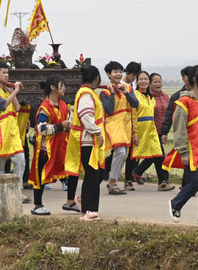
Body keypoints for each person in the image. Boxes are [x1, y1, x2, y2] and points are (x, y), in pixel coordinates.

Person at [165, 64, 198, 228]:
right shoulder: (183, 102)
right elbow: (179, 129)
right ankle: (176, 203)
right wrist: (183, 152)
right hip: (192, 150)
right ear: (195, 79)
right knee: (197, 182)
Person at [64, 65, 105, 221]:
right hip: (87, 140)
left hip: (90, 140)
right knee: (93, 174)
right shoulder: (87, 94)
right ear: (96, 78)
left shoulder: (87, 93)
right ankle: (88, 210)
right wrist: (98, 132)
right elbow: (86, 116)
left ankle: (85, 202)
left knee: (97, 173)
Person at [0, 61, 27, 200]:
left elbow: (18, 108)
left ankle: (17, 191)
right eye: (4, 72)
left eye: (8, 72)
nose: (7, 75)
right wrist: (14, 91)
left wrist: (12, 92)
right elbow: (2, 105)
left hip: (11, 131)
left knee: (20, 160)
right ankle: (1, 195)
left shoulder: (5, 90)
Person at [29, 75, 71, 216]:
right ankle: (37, 204)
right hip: (45, 149)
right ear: (52, 87)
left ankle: (71, 201)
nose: (64, 88)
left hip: (60, 147)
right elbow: (42, 129)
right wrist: (61, 126)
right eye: (61, 85)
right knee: (40, 177)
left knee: (71, 172)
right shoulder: (44, 108)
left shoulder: (64, 106)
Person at [100, 61, 139, 194]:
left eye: (120, 71)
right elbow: (109, 110)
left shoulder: (127, 88)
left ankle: (113, 181)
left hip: (126, 124)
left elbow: (135, 104)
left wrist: (126, 93)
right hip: (114, 124)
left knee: (123, 155)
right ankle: (112, 181)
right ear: (108, 74)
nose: (118, 74)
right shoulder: (104, 92)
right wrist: (112, 93)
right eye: (115, 71)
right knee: (121, 153)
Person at [132, 72, 174, 191]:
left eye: (159, 81)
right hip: (150, 130)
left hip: (162, 129)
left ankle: (137, 172)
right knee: (157, 154)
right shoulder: (146, 97)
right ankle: (163, 180)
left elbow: (170, 113)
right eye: (155, 82)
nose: (158, 84)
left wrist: (166, 130)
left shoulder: (165, 97)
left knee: (155, 155)